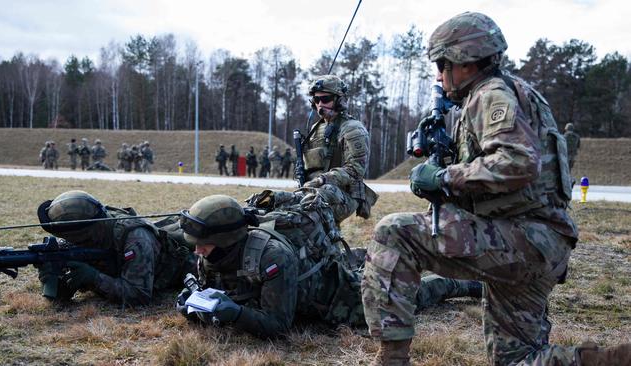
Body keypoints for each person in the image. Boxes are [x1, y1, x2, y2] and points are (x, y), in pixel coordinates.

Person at [360, 12, 630, 366]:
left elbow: (517, 162)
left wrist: (442, 178)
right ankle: (606, 361)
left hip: (523, 240)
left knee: (393, 234)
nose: (440, 76)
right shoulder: (514, 92)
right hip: (537, 241)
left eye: (443, 66)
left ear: (465, 63)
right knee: (515, 358)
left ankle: (391, 359)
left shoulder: (490, 95)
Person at [175, 194, 482, 338]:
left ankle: (460, 282)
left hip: (337, 298)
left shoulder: (271, 258)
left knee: (401, 298)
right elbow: (219, 293)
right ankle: (372, 257)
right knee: (362, 260)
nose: (198, 251)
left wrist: (236, 314)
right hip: (308, 280)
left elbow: (278, 325)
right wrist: (194, 304)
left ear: (228, 238)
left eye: (204, 243)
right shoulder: (212, 253)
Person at [35, 190, 197, 306]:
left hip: (186, 266)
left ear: (86, 234)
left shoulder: (135, 238)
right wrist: (51, 275)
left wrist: (93, 278)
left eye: (69, 237)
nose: (65, 240)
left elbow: (139, 295)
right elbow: (61, 298)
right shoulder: (87, 238)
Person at [299, 74, 377, 224]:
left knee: (311, 212)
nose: (320, 104)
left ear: (338, 100)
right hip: (316, 188)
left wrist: (322, 179)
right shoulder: (316, 128)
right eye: (316, 100)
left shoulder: (352, 129)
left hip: (344, 192)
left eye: (326, 99)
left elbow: (356, 170)